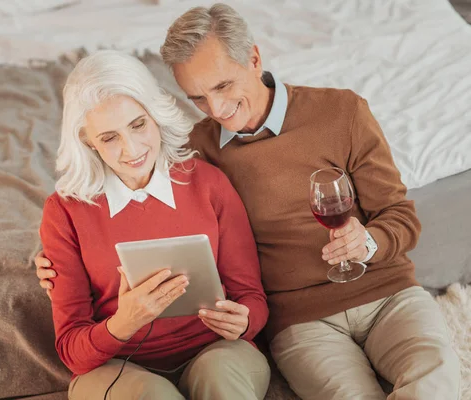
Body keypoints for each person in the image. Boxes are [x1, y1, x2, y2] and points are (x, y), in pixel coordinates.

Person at [37, 4, 461, 400]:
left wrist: (367, 242)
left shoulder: (341, 112)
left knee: (435, 377)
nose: (217, 108)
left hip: (386, 291)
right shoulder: (195, 150)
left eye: (223, 85)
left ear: (255, 59)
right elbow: (120, 198)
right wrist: (51, 256)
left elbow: (401, 216)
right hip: (301, 317)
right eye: (198, 98)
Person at [39, 49, 270, 400]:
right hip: (116, 366)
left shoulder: (208, 184)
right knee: (152, 395)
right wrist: (125, 321)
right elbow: (72, 349)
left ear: (155, 115)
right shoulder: (65, 211)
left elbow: (252, 298)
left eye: (138, 125)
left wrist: (245, 320)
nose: (132, 150)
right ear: (88, 141)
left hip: (217, 352)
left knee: (219, 378)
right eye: (109, 137)